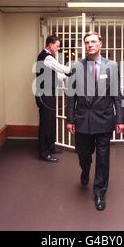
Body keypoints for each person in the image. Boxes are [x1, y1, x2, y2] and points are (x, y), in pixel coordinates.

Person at [66, 31, 124, 211]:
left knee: (103, 158)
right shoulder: (76, 67)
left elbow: (116, 94)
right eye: (87, 42)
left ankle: (99, 192)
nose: (90, 45)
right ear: (85, 46)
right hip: (83, 118)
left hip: (104, 119)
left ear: (100, 43)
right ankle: (85, 170)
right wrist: (70, 119)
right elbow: (71, 96)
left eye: (93, 41)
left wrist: (120, 119)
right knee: (84, 154)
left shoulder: (112, 66)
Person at [35, 35, 70, 163]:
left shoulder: (48, 57)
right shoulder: (47, 57)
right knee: (45, 123)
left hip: (48, 94)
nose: (58, 48)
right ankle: (44, 153)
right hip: (44, 95)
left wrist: (67, 77)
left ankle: (50, 147)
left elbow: (58, 75)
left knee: (50, 121)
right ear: (50, 44)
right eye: (57, 45)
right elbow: (60, 68)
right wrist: (75, 70)